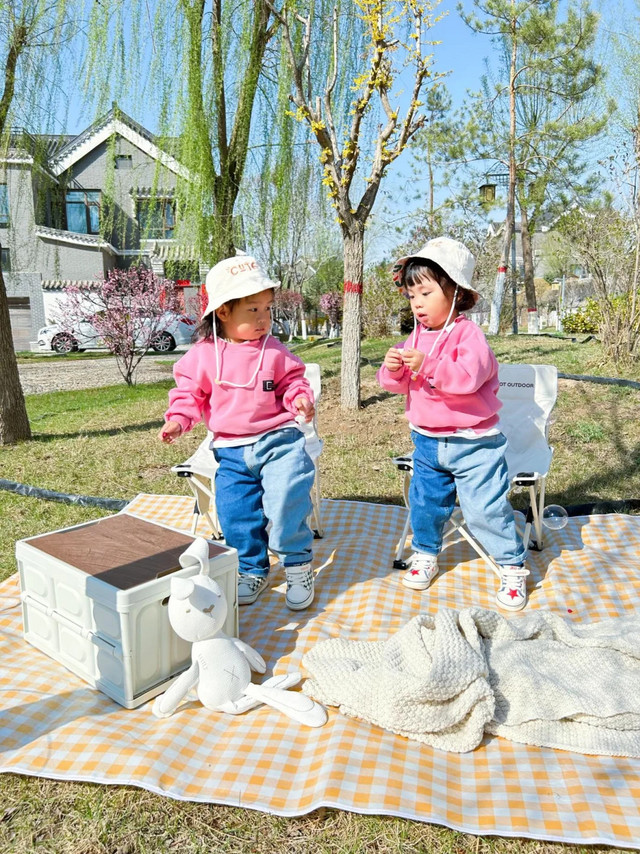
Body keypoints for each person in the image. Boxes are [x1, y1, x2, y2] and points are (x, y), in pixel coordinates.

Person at [377, 237, 529, 611]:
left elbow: (466, 379)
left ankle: (512, 565)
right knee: (425, 505)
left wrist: (425, 365)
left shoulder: (468, 336)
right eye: (412, 296)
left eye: (426, 293)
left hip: (474, 444)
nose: (417, 303)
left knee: (484, 509)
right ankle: (426, 553)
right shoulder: (416, 336)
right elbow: (395, 385)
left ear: (456, 292)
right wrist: (393, 369)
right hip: (428, 442)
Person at [159, 255, 317, 611]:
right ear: (223, 312)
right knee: (235, 513)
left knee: (285, 500)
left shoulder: (274, 351)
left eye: (267, 309)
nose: (264, 319)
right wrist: (177, 420)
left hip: (278, 441)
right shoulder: (202, 356)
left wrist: (300, 399)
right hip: (231, 451)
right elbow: (188, 395)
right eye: (253, 310)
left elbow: (293, 383)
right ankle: (251, 567)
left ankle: (297, 564)